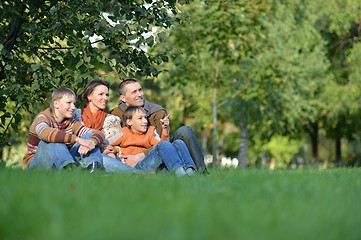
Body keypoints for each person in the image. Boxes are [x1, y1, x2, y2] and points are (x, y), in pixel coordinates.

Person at [110, 78, 209, 174]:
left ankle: (199, 172)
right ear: (123, 98)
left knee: (184, 133)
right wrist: (119, 152)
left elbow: (163, 144)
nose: (140, 94)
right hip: (130, 161)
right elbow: (110, 140)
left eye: (140, 90)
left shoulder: (157, 112)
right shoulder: (115, 113)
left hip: (158, 156)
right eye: (134, 92)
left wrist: (140, 155)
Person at [23, 87, 104, 172]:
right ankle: (69, 171)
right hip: (39, 163)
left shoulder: (71, 122)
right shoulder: (43, 117)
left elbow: (98, 133)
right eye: (69, 103)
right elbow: (44, 132)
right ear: (56, 104)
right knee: (53, 138)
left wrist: (91, 142)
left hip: (63, 161)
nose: (73, 107)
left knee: (88, 136)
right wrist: (77, 139)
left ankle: (94, 169)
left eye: (74, 103)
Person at [72, 79, 140, 174]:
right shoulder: (74, 114)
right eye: (101, 94)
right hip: (76, 156)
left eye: (107, 95)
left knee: (102, 159)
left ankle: (138, 175)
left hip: (101, 157)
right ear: (89, 96)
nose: (105, 98)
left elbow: (119, 146)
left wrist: (115, 149)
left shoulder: (112, 120)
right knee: (89, 137)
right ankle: (140, 175)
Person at [106, 106, 196, 176]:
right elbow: (105, 143)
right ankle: (180, 173)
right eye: (140, 118)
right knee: (165, 145)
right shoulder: (124, 133)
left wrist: (164, 129)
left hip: (152, 164)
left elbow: (164, 146)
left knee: (178, 143)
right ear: (129, 122)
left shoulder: (150, 131)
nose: (145, 121)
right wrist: (115, 150)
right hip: (138, 167)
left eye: (145, 117)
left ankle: (190, 172)